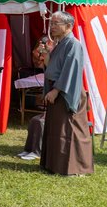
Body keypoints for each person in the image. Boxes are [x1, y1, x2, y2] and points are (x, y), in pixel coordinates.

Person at [40, 11, 94, 176]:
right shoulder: (60, 43)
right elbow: (53, 66)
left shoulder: (73, 44)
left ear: (69, 26)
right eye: (52, 23)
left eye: (56, 23)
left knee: (70, 130)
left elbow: (70, 70)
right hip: (57, 90)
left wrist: (56, 90)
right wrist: (48, 53)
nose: (52, 27)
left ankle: (75, 167)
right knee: (57, 130)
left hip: (66, 91)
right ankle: (55, 165)